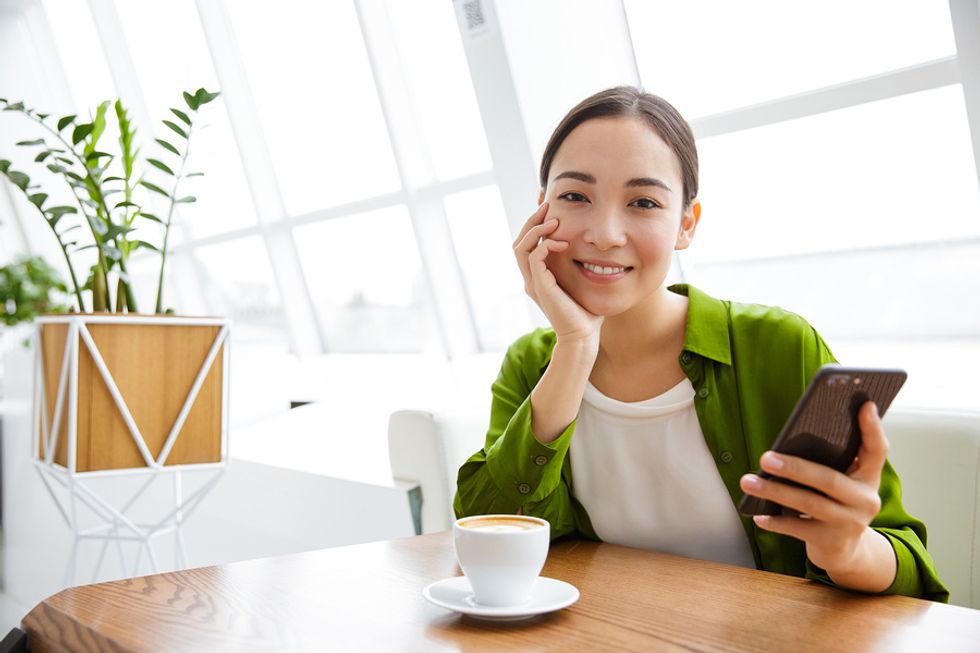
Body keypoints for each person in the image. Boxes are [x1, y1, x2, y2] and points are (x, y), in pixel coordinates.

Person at [454, 86, 947, 601]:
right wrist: (575, 347)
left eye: (643, 202)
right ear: (541, 210)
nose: (604, 233)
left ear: (685, 224)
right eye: (576, 196)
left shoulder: (780, 346)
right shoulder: (534, 362)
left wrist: (849, 551)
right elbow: (491, 538)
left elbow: (911, 569)